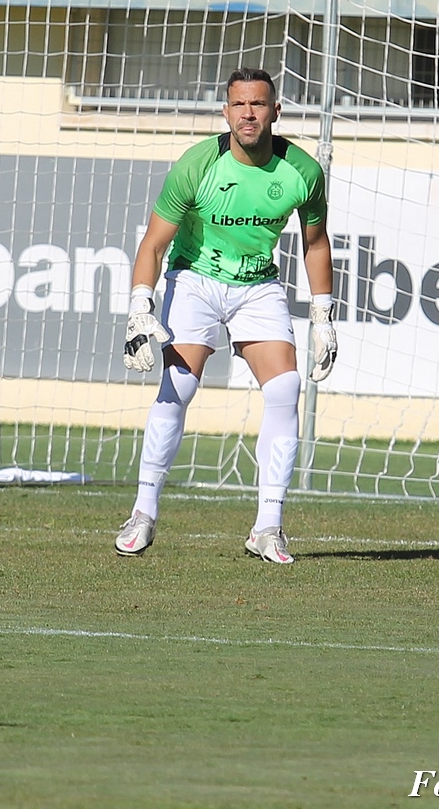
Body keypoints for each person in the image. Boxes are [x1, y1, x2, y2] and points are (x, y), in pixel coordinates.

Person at [116, 68, 337, 564]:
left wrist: (323, 316)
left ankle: (268, 527)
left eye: (258, 105)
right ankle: (143, 513)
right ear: (226, 112)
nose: (249, 114)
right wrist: (139, 305)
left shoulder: (302, 171)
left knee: (285, 389)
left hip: (257, 284)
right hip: (194, 278)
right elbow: (154, 243)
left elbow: (316, 242)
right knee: (179, 386)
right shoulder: (197, 164)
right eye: (239, 105)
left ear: (275, 112)